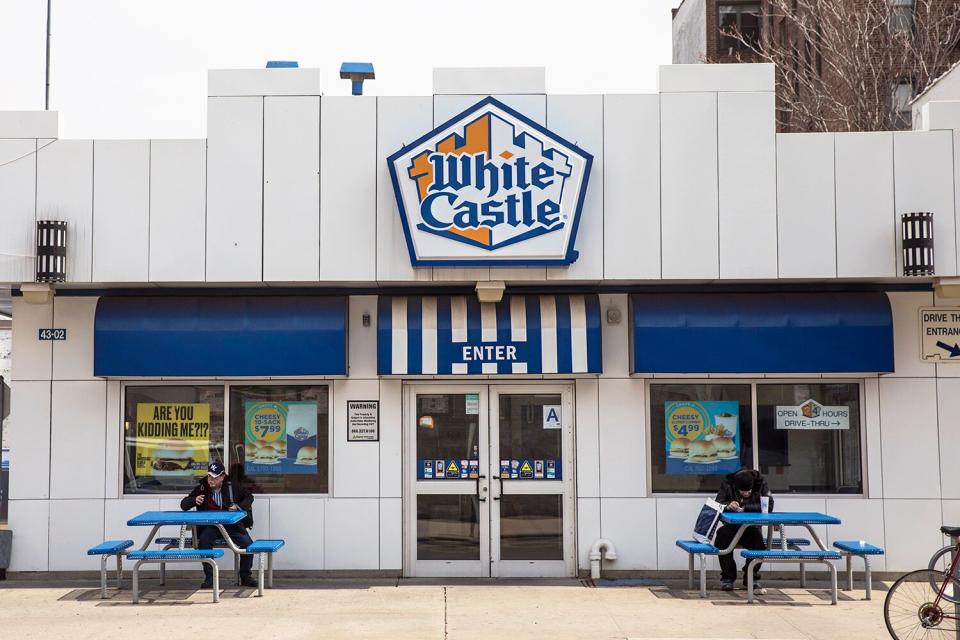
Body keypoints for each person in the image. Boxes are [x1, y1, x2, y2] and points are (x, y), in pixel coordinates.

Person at [180, 462, 257, 588]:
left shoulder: (232, 486)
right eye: (209, 476)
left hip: (232, 525)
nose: (211, 480)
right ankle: (210, 578)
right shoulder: (202, 487)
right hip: (211, 526)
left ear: (222, 476)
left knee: (248, 545)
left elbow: (249, 497)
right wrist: (194, 500)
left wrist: (238, 506)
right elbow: (183, 504)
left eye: (214, 477)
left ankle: (245, 577)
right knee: (204, 541)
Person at [714, 467, 774, 593]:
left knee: (759, 545)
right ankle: (727, 578)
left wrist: (746, 507)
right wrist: (729, 505)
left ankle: (751, 576)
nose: (746, 494)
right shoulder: (728, 484)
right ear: (736, 487)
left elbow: (769, 505)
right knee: (721, 539)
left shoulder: (761, 483)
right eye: (742, 491)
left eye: (749, 491)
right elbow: (718, 503)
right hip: (731, 526)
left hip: (752, 527)